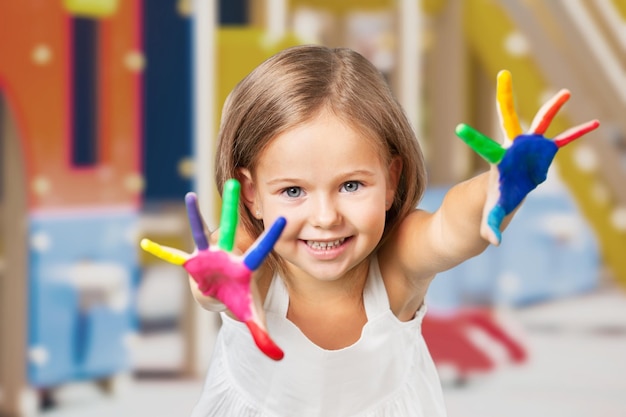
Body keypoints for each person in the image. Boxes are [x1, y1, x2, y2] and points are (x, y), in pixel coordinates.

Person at [145, 45, 597, 416]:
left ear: (391, 180)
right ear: (251, 194)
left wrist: (499, 187)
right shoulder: (254, 264)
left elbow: (450, 228)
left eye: (351, 185)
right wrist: (212, 286)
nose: (325, 217)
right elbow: (218, 287)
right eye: (293, 191)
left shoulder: (397, 264)